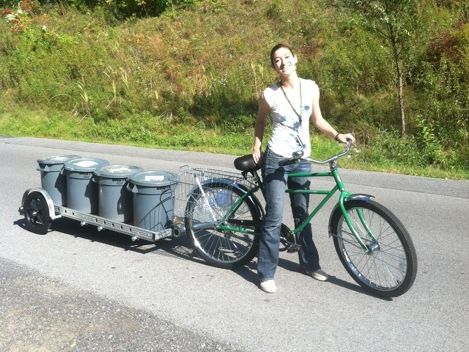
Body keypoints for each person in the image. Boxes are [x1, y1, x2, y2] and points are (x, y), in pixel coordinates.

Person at [252, 43, 355, 293]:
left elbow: (317, 120)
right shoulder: (270, 94)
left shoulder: (310, 87)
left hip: (302, 159)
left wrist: (337, 134)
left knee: (303, 213)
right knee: (275, 215)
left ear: (295, 59)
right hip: (277, 160)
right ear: (273, 66)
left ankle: (310, 264)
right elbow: (261, 121)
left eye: (287, 57)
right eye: (277, 60)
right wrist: (257, 146)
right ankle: (266, 272)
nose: (283, 62)